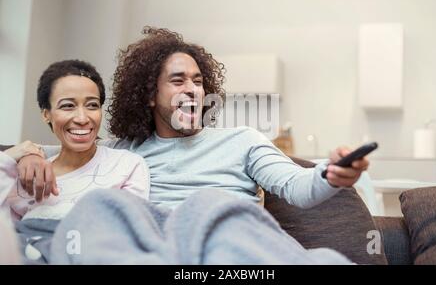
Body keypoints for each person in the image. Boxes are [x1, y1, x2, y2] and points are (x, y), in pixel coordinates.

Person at [13, 27, 369, 264]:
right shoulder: (120, 151)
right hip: (164, 249)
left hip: (230, 242)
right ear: (150, 95)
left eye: (198, 81)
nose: (193, 89)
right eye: (178, 80)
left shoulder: (241, 140)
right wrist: (28, 151)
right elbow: (61, 150)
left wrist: (332, 174)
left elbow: (297, 186)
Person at [0, 60, 149, 263]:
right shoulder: (25, 175)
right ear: (47, 114)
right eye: (68, 106)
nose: (82, 118)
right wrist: (14, 154)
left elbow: (131, 232)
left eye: (92, 105)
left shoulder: (127, 164)